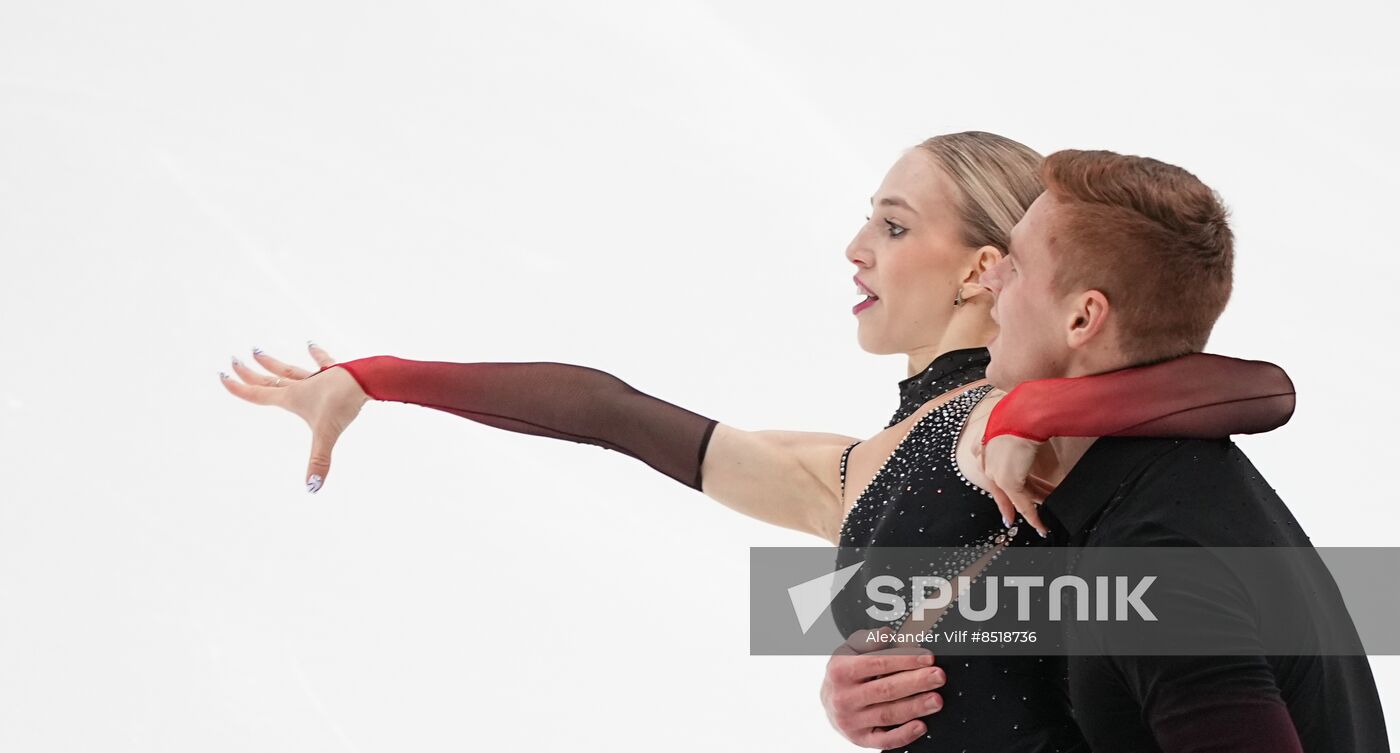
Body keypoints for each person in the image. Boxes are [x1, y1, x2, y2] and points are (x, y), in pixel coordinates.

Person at [221, 133, 1294, 752]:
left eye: (892, 223)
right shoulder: (884, 457)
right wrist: (381, 378)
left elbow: (1226, 392)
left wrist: (1028, 417)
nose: (854, 248)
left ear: (982, 270)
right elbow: (618, 416)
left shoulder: (1006, 421)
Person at [838, 148, 1388, 752]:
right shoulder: (1175, 472)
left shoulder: (1157, 560)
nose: (989, 278)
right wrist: (883, 673)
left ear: (1083, 320)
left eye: (1015, 267)